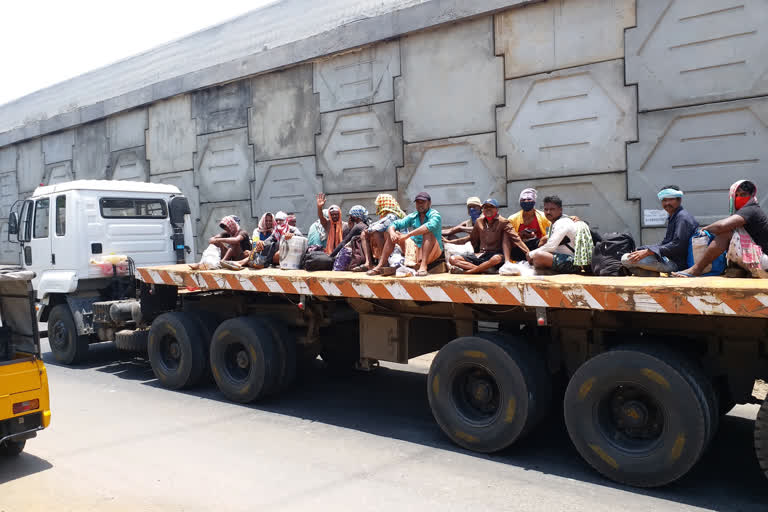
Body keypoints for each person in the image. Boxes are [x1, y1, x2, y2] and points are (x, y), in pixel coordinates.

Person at [673, 180, 768, 277]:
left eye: (743, 195)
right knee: (732, 234)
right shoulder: (749, 210)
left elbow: (721, 226)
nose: (739, 198)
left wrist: (706, 228)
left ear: (752, 195)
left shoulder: (751, 209)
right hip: (761, 260)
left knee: (725, 234)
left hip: (764, 262)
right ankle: (737, 269)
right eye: (736, 195)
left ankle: (696, 269)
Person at [622, 186, 698, 275]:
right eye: (664, 200)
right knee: (632, 255)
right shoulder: (674, 216)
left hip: (678, 264)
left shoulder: (682, 218)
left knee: (626, 259)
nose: (667, 203)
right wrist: (643, 249)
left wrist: (648, 252)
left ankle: (649, 272)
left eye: (671, 200)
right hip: (668, 259)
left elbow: (678, 245)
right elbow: (665, 243)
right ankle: (650, 273)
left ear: (679, 200)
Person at [367, 192, 443, 277]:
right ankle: (381, 265)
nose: (420, 204)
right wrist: (392, 232)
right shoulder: (413, 216)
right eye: (418, 202)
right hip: (416, 248)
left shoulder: (435, 214)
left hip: (433, 251)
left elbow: (428, 226)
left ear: (429, 203)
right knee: (393, 234)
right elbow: (394, 224)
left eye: (423, 202)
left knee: (427, 233)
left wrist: (407, 235)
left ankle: (423, 266)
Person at [449, 199, 530, 274]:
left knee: (496, 259)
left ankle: (469, 272)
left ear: (497, 210)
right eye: (485, 207)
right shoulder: (479, 221)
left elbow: (516, 238)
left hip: (496, 255)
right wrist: (450, 242)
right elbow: (472, 238)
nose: (488, 209)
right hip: (481, 254)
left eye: (491, 207)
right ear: (482, 210)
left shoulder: (503, 222)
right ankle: (484, 270)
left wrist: (528, 253)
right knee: (453, 259)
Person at [353, 194, 406, 272]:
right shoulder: (388, 215)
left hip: (398, 244)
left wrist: (368, 230)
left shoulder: (392, 216)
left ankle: (383, 263)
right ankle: (368, 263)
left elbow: (375, 228)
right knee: (366, 233)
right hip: (393, 243)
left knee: (376, 233)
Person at [526, 196, 578, 274]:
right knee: (540, 249)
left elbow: (551, 246)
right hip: (563, 258)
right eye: (546, 209)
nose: (548, 212)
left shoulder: (562, 222)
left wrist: (530, 254)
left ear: (560, 210)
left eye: (552, 209)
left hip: (573, 262)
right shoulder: (556, 222)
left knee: (539, 256)